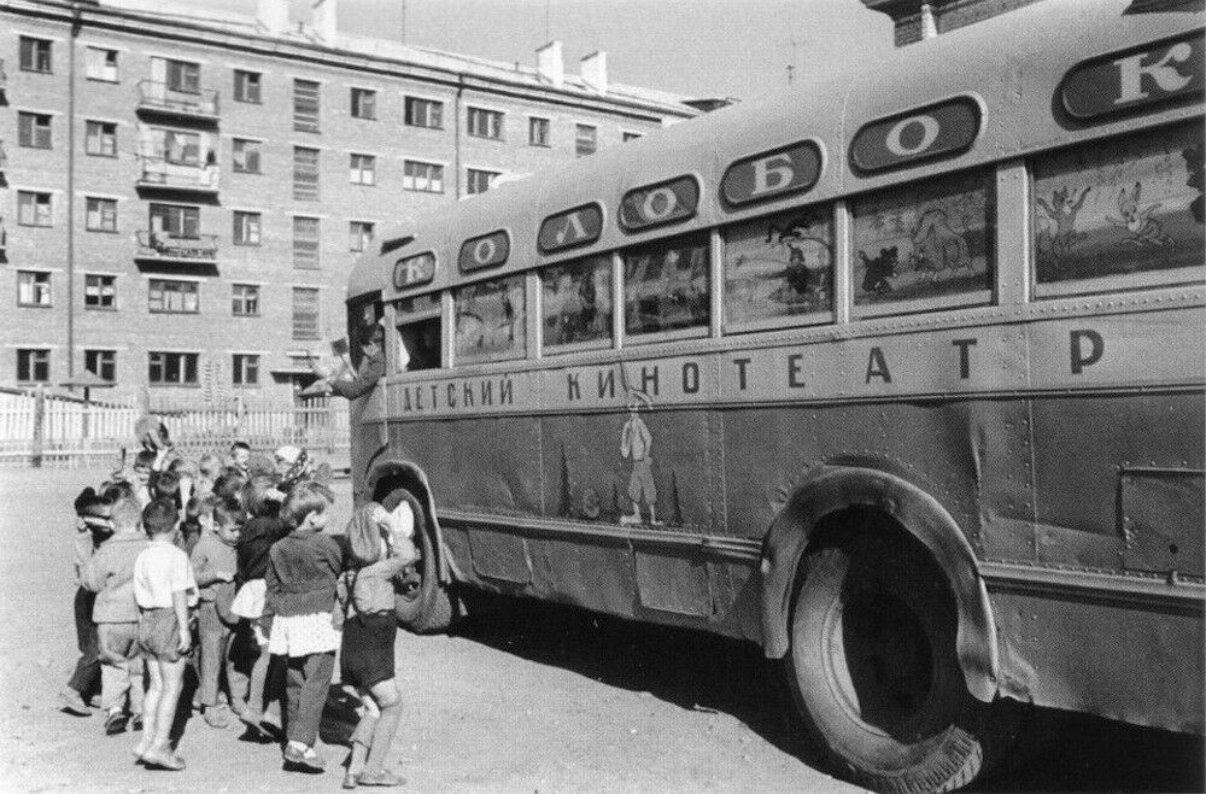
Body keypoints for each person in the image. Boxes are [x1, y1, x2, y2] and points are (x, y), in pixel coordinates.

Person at [338, 501, 419, 788]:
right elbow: (407, 554)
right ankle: (373, 771)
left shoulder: (347, 577)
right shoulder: (376, 572)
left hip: (351, 654)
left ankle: (354, 770)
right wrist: (392, 525)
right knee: (392, 706)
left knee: (372, 709)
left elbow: (338, 619)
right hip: (374, 654)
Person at [265, 482, 344, 773]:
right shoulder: (325, 544)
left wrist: (275, 614)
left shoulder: (277, 548)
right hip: (319, 619)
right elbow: (338, 569)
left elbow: (271, 586)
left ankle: (294, 739)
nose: (327, 517)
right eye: (323, 513)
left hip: (289, 620)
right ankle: (301, 742)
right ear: (311, 517)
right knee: (318, 680)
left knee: (295, 679)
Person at [132, 498, 197, 771]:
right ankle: (160, 745)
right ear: (176, 524)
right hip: (169, 618)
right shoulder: (176, 556)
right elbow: (178, 593)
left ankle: (145, 741)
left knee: (155, 686)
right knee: (173, 687)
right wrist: (183, 629)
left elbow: (137, 593)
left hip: (147, 619)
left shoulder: (143, 555)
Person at [81, 496, 149, 736]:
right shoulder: (148, 547)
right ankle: (141, 710)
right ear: (140, 522)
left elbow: (91, 582)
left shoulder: (107, 549)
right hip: (141, 616)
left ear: (112, 523)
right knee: (139, 665)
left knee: (113, 664)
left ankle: (115, 709)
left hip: (111, 619)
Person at [231, 476, 291, 736]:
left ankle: (259, 708)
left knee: (266, 654)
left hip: (252, 592)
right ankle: (263, 710)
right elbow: (295, 521)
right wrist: (285, 500)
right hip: (268, 591)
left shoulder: (248, 528)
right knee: (275, 655)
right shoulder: (271, 526)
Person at [190, 495, 241, 729]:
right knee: (211, 657)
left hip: (233, 608)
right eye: (232, 530)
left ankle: (237, 698)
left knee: (232, 656)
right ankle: (209, 704)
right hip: (210, 608)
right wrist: (215, 575)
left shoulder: (235, 545)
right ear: (216, 525)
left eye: (239, 530)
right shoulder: (204, 545)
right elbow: (191, 576)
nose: (237, 535)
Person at [60, 489, 112, 716]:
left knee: (98, 645)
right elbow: (84, 567)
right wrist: (82, 534)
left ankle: (92, 690)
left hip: (93, 597)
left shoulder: (101, 538)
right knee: (95, 648)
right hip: (89, 598)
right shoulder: (88, 541)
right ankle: (73, 690)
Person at [308, 322, 386, 401]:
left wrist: (326, 377)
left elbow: (354, 390)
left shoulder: (378, 363)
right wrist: (333, 389)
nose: (365, 356)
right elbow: (357, 387)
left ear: (370, 345)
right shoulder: (376, 361)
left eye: (364, 352)